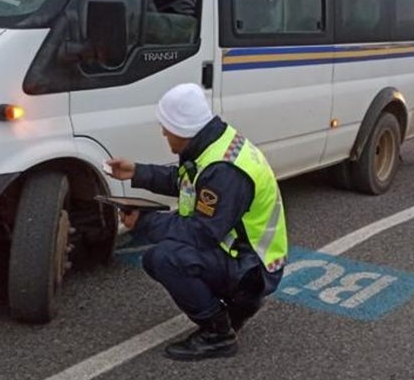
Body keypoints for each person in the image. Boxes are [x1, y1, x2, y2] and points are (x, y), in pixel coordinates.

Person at [106, 83, 288, 361]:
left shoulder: (224, 170)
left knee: (164, 258)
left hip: (254, 269)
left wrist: (144, 222)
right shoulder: (214, 145)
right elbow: (187, 184)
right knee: (170, 251)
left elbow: (202, 232)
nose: (163, 133)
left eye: (166, 127)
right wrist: (137, 172)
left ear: (182, 130)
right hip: (245, 256)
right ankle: (234, 309)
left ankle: (218, 334)